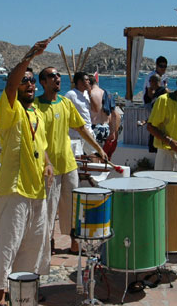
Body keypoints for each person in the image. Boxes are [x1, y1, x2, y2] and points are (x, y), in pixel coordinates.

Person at [0, 39, 54, 306]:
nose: (30, 85)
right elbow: (10, 84)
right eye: (26, 81)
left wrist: (47, 165)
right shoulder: (10, 109)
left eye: (33, 81)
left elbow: (41, 145)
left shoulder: (37, 114)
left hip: (37, 190)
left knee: (33, 243)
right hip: (15, 187)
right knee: (8, 243)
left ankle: (26, 288)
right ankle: (0, 294)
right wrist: (31, 55)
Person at [36, 67, 108, 254]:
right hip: (48, 166)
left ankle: (75, 243)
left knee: (74, 207)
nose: (57, 78)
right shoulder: (35, 107)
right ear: (43, 82)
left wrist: (99, 148)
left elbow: (82, 128)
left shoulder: (65, 103)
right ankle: (48, 243)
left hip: (68, 164)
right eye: (52, 76)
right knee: (49, 208)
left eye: (58, 75)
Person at [89, 77, 121, 157]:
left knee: (93, 157)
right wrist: (113, 132)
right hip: (106, 128)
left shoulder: (89, 94)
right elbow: (114, 114)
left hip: (95, 128)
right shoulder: (107, 94)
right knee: (103, 156)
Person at [64, 71, 93, 152]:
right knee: (78, 157)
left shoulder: (87, 94)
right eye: (86, 80)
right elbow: (65, 112)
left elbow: (95, 109)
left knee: (95, 155)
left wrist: (90, 92)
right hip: (76, 134)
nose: (89, 82)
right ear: (79, 81)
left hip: (88, 131)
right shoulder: (71, 94)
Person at [144, 74, 168, 153]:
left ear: (154, 81)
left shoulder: (163, 91)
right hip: (154, 120)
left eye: (150, 81)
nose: (150, 83)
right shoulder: (155, 93)